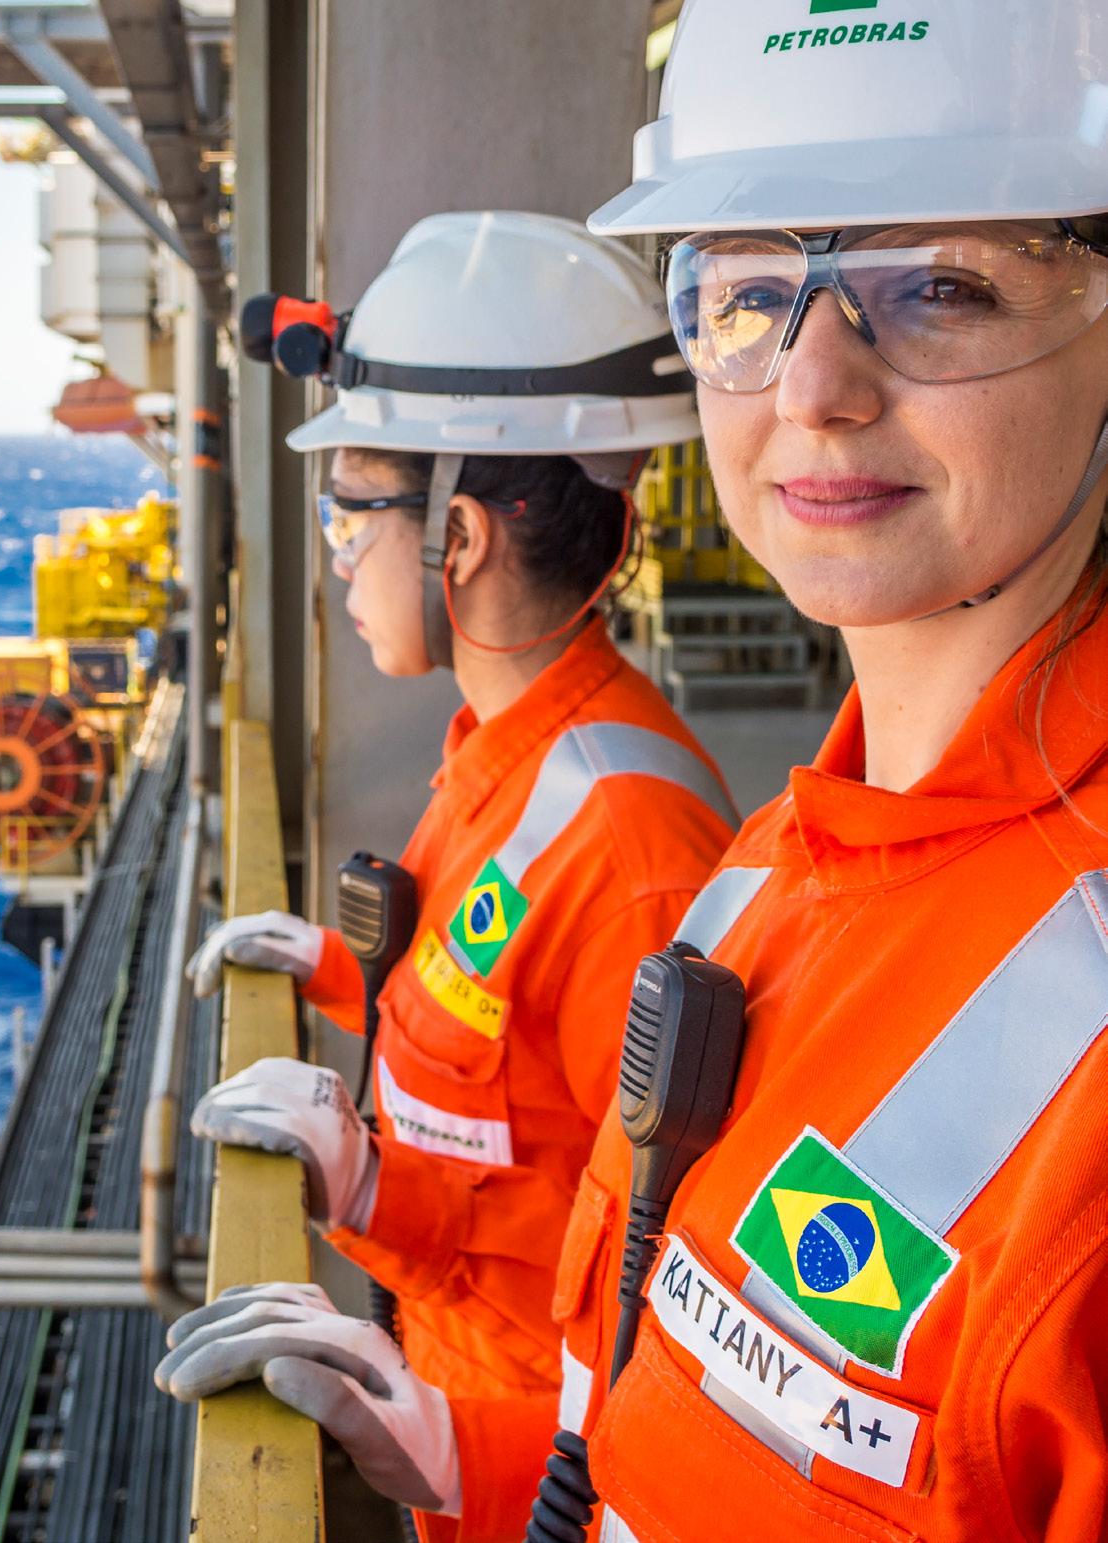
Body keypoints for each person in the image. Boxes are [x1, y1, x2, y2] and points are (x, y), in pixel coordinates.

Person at [165, 0, 1108, 1539]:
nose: (813, 384)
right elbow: (658, 1425)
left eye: (944, 284)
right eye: (744, 291)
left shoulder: (681, 858)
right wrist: (459, 1446)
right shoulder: (767, 882)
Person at [155, 211, 739, 1526]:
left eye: (346, 512)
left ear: (456, 538)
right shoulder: (506, 756)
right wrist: (332, 970)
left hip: (537, 1477)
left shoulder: (628, 857)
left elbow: (667, 1323)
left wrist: (441, 1424)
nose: (336, 558)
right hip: (463, 1413)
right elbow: (494, 1044)